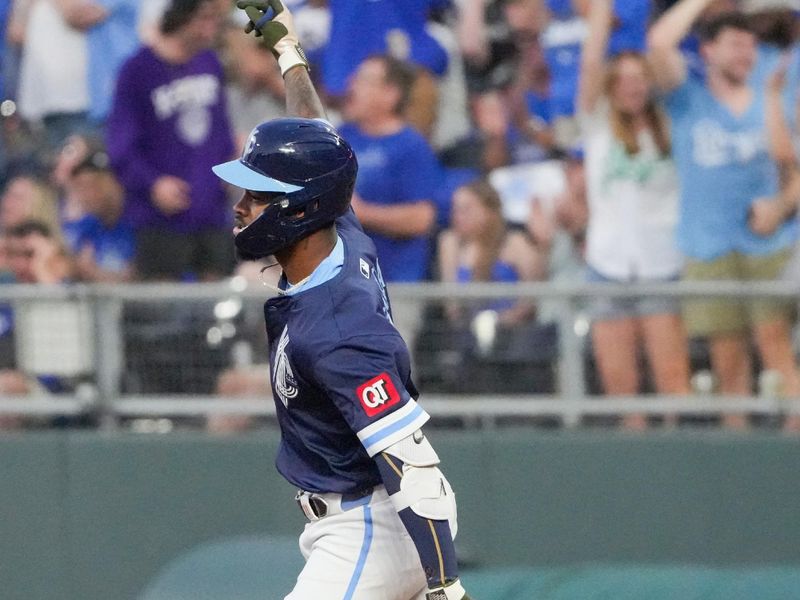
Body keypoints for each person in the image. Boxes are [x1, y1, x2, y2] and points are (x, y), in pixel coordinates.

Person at [212, 2, 471, 598]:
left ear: (297, 210)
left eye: (258, 195)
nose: (241, 206)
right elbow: (317, 137)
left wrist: (445, 587)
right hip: (356, 520)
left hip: (375, 528)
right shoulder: (336, 225)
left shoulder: (337, 324)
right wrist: (287, 50)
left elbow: (412, 465)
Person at [648, 3, 800, 429]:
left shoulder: (772, 98)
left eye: (750, 46)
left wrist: (780, 207)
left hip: (767, 246)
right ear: (708, 50)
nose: (745, 54)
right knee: (727, 360)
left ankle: (792, 455)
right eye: (734, 44)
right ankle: (740, 455)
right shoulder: (686, 99)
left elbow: (794, 175)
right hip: (707, 245)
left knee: (777, 351)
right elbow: (659, 43)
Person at [578, 0, 690, 428]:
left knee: (673, 379)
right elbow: (591, 59)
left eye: (639, 78)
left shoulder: (671, 121)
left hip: (662, 264)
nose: (631, 87)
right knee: (620, 386)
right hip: (607, 265)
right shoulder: (597, 122)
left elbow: (670, 64)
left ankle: (681, 465)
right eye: (622, 79)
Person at [106, 0, 235, 281]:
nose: (211, 28)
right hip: (158, 216)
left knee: (220, 304)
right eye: (204, 19)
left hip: (211, 209)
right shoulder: (137, 71)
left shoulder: (209, 63)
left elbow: (222, 131)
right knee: (162, 308)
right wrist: (152, 183)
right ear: (182, 17)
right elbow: (120, 148)